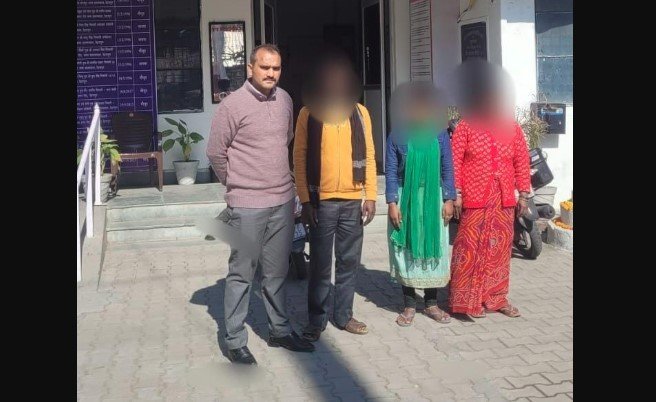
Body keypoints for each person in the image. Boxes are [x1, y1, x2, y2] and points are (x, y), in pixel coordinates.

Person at [206, 44, 314, 365]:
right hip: (247, 205)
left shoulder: (285, 100)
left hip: (282, 201)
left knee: (277, 272)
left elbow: (285, 141)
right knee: (242, 274)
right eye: (264, 67)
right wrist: (237, 185)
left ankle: (279, 330)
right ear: (250, 68)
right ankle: (235, 340)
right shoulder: (232, 105)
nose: (270, 73)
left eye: (276, 68)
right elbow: (215, 152)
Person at [293, 52, 377, 341]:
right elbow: (299, 157)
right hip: (321, 203)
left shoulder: (360, 113)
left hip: (353, 201)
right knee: (319, 264)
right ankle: (316, 319)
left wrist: (370, 195)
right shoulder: (308, 114)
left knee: (349, 261)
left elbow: (369, 154)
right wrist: (305, 200)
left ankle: (343, 315)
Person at [448, 60, 531, 319]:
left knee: (500, 249)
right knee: (468, 247)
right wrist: (456, 193)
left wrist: (523, 193)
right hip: (475, 197)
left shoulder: (512, 128)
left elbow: (522, 161)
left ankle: (496, 298)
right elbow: (454, 162)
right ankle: (464, 299)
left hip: (503, 198)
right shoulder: (466, 127)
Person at [385, 82, 456, 326]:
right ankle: (409, 305)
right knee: (406, 248)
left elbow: (447, 168)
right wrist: (392, 202)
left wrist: (449, 199)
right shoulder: (398, 135)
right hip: (406, 197)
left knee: (432, 246)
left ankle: (431, 304)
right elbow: (391, 171)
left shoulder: (440, 134)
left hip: (433, 199)